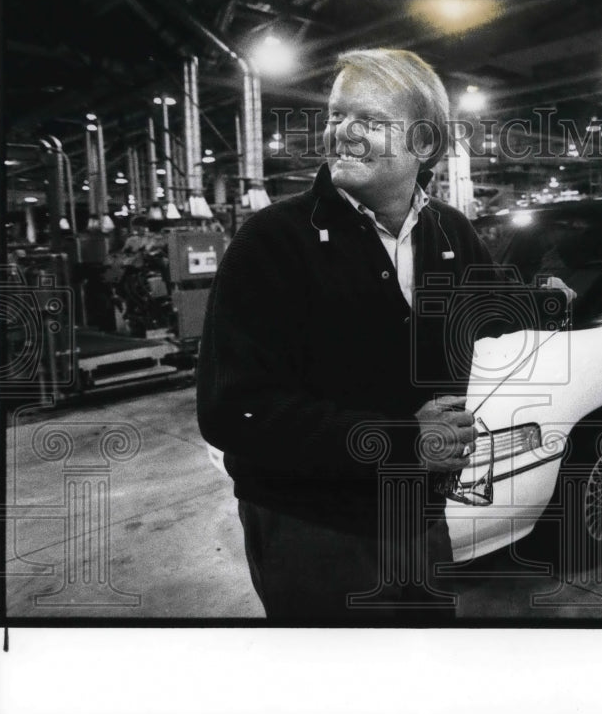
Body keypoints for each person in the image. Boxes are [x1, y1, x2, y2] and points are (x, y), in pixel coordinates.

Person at [196, 48, 496, 622]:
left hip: (421, 518)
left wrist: (547, 301)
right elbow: (232, 410)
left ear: (425, 145)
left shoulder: (449, 231)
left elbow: (490, 310)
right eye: (336, 116)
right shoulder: (273, 242)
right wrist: (406, 442)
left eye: (371, 121)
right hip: (313, 531)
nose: (343, 134)